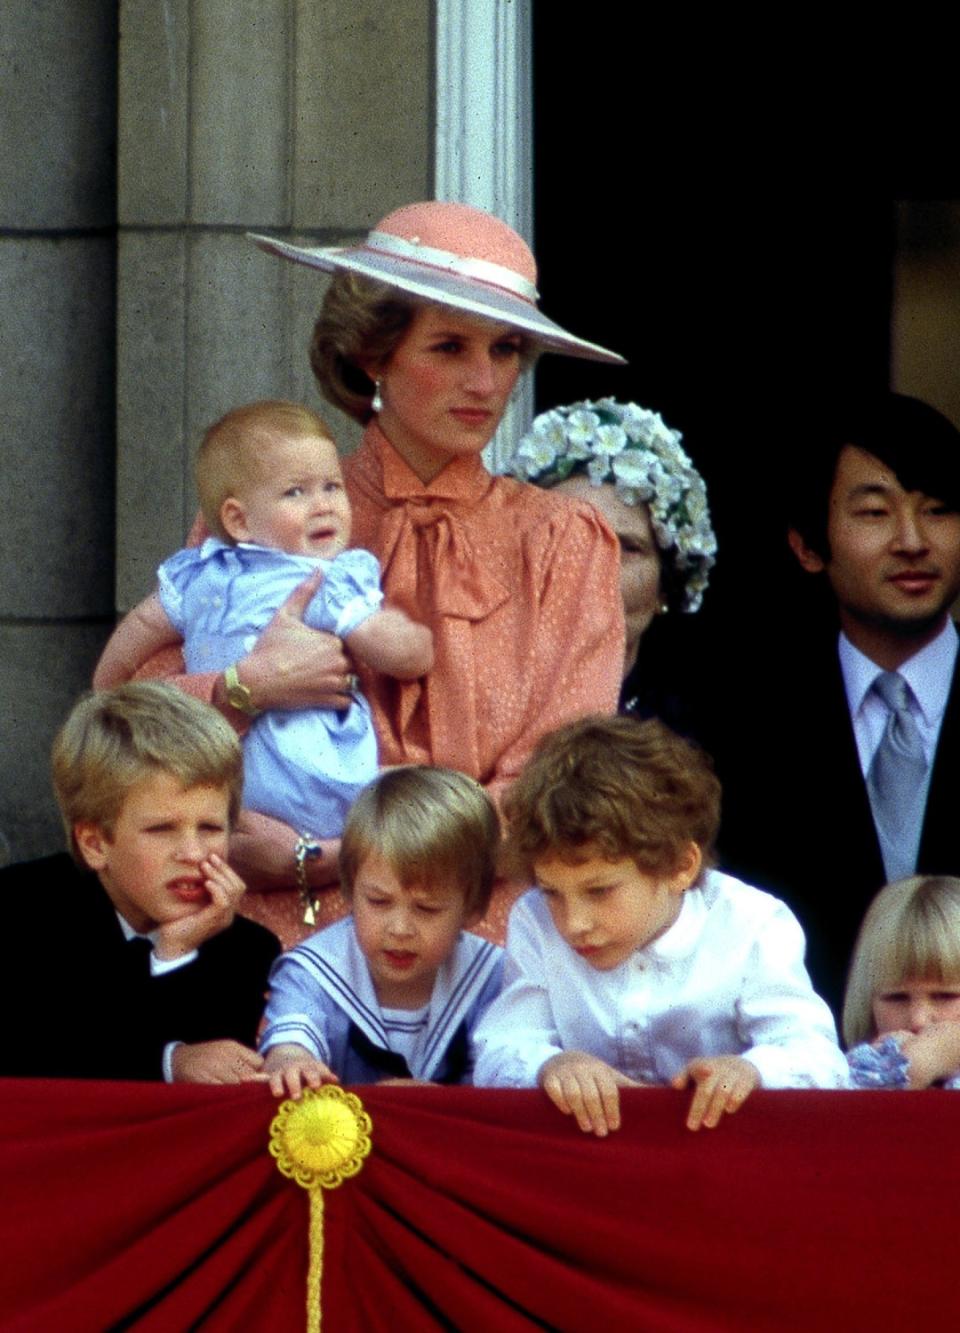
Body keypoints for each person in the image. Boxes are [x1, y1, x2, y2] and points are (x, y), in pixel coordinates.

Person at [120, 201, 628, 944]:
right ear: (371, 352)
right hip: (271, 942)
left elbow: (559, 780)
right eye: (451, 347)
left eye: (507, 349)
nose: (486, 382)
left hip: (480, 943)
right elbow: (139, 731)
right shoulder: (269, 516)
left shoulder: (561, 541)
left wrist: (328, 857)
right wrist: (243, 687)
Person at [94, 401, 431, 911]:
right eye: (296, 492)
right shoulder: (308, 577)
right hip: (285, 776)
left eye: (331, 486)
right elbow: (391, 649)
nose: (322, 505)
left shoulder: (216, 576)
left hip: (253, 773)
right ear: (238, 519)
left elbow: (140, 628)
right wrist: (418, 642)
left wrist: (105, 685)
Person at [472, 716, 847, 1135]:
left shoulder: (752, 924)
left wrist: (751, 1070)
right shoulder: (534, 920)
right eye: (552, 892)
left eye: (599, 891)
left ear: (679, 867)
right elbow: (499, 1048)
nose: (573, 923)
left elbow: (821, 1059)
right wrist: (552, 1064)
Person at [714, 392, 960, 1018]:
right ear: (807, 545)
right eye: (875, 513)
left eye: (938, 510)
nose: (912, 541)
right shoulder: (738, 722)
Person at [0, 682, 279, 1082]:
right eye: (162, 829)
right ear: (95, 844)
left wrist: (178, 952)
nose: (194, 853)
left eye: (210, 827)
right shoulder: (18, 910)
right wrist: (171, 1061)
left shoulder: (244, 949)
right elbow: (36, 1054)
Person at [260, 766, 503, 1093]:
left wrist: (441, 1102)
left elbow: (504, 1073)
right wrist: (290, 1060)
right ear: (349, 889)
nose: (400, 929)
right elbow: (292, 1035)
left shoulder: (492, 977)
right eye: (378, 901)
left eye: (426, 908)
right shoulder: (313, 972)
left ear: (474, 906)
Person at [507, 397, 716, 719]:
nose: (594, 566)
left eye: (626, 548)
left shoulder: (692, 741)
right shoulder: (461, 714)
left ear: (664, 588)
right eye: (566, 539)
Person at [843, 875, 960, 1090]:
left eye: (945, 996)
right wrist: (908, 1066)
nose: (918, 1020)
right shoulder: (844, 1070)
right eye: (896, 998)